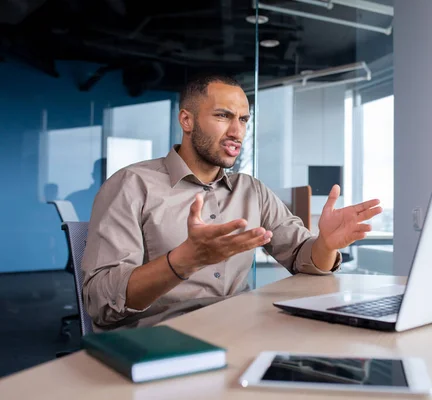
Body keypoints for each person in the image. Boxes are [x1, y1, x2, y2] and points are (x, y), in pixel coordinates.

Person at [81, 73, 382, 331]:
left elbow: (302, 257)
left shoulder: (251, 190)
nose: (237, 131)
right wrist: (184, 261)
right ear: (186, 120)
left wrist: (325, 244)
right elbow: (100, 303)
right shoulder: (131, 185)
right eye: (223, 116)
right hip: (161, 338)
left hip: (241, 330)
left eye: (243, 119)